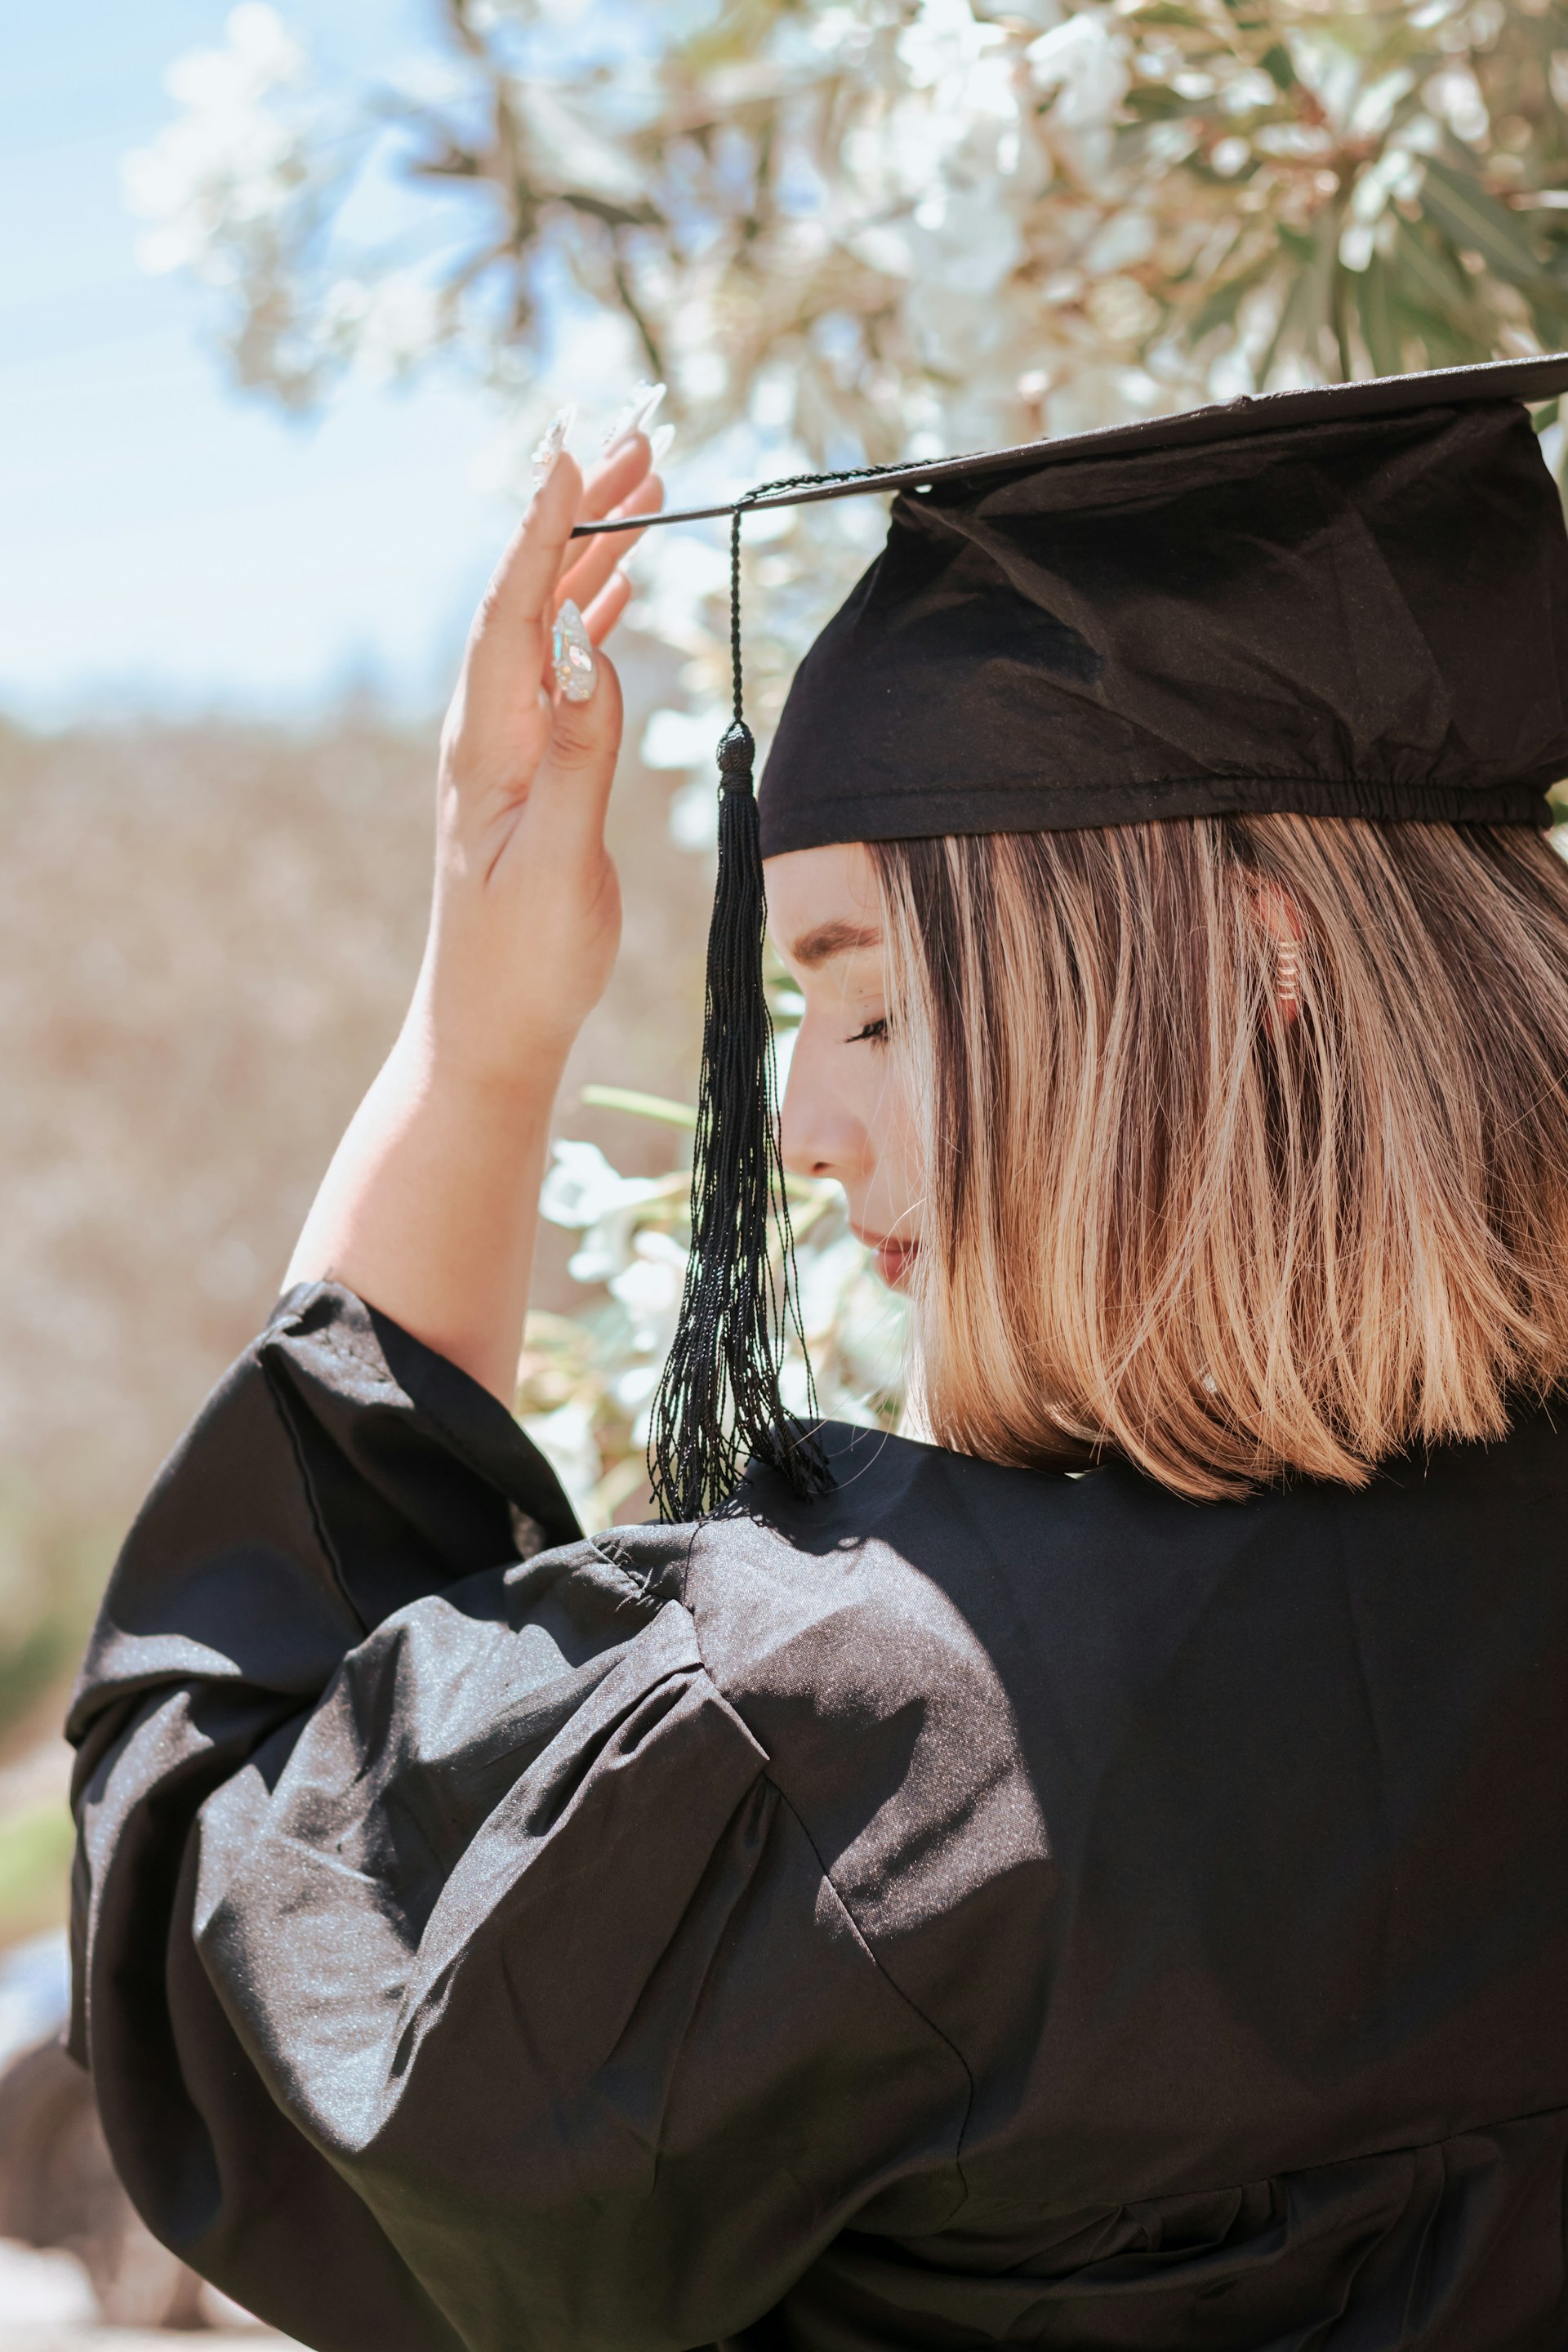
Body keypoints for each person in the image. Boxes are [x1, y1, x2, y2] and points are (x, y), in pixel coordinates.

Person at [66, 359, 1568, 2352]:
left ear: (1257, 962)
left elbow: (219, 1917)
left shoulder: (876, 1745)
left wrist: (479, 1037)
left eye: (873, 1011)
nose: (803, 1125)